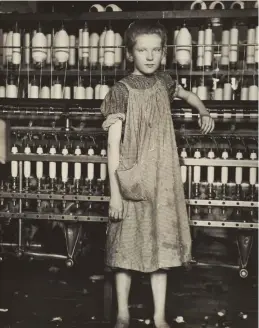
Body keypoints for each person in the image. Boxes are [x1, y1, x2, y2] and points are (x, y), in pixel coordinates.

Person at [100, 21, 215, 328]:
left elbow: (188, 96)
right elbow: (112, 146)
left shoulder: (165, 82)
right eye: (142, 50)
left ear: (164, 53)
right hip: (131, 181)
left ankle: (159, 316)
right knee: (125, 250)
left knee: (160, 250)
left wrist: (203, 112)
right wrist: (115, 194)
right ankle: (123, 314)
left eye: (155, 50)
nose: (149, 56)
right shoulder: (120, 92)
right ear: (129, 54)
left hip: (162, 181)